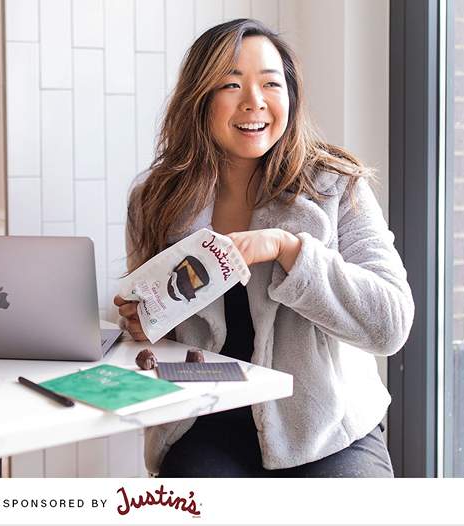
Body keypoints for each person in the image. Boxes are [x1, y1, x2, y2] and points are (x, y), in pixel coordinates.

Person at [113, 18, 414, 477]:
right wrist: (142, 321)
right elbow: (156, 331)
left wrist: (289, 250)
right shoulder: (156, 199)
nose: (254, 101)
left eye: (271, 84)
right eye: (231, 85)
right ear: (200, 100)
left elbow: (390, 326)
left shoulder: (337, 185)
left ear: (289, 97)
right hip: (206, 422)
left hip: (325, 427)